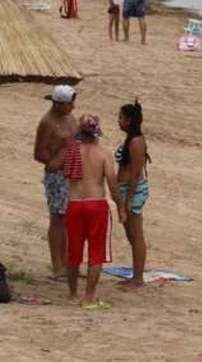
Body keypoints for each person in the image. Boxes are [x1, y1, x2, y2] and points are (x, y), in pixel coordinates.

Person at [51, 114, 125, 311]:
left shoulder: (71, 151)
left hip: (74, 204)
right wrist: (120, 206)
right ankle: (89, 296)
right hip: (96, 204)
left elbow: (53, 166)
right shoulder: (103, 152)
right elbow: (111, 181)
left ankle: (73, 293)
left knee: (73, 252)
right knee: (96, 254)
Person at [33, 85, 78, 280]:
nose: (73, 107)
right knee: (58, 219)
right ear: (59, 104)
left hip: (72, 172)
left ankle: (68, 262)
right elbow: (39, 153)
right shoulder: (48, 122)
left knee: (70, 219)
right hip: (58, 175)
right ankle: (57, 265)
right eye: (69, 103)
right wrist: (55, 161)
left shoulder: (69, 118)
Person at [115, 100, 150, 291]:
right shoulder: (131, 139)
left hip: (132, 190)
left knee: (136, 235)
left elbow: (136, 173)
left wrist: (127, 201)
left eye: (120, 117)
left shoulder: (135, 142)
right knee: (131, 234)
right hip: (126, 189)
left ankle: (138, 278)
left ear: (128, 120)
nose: (118, 121)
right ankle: (136, 275)